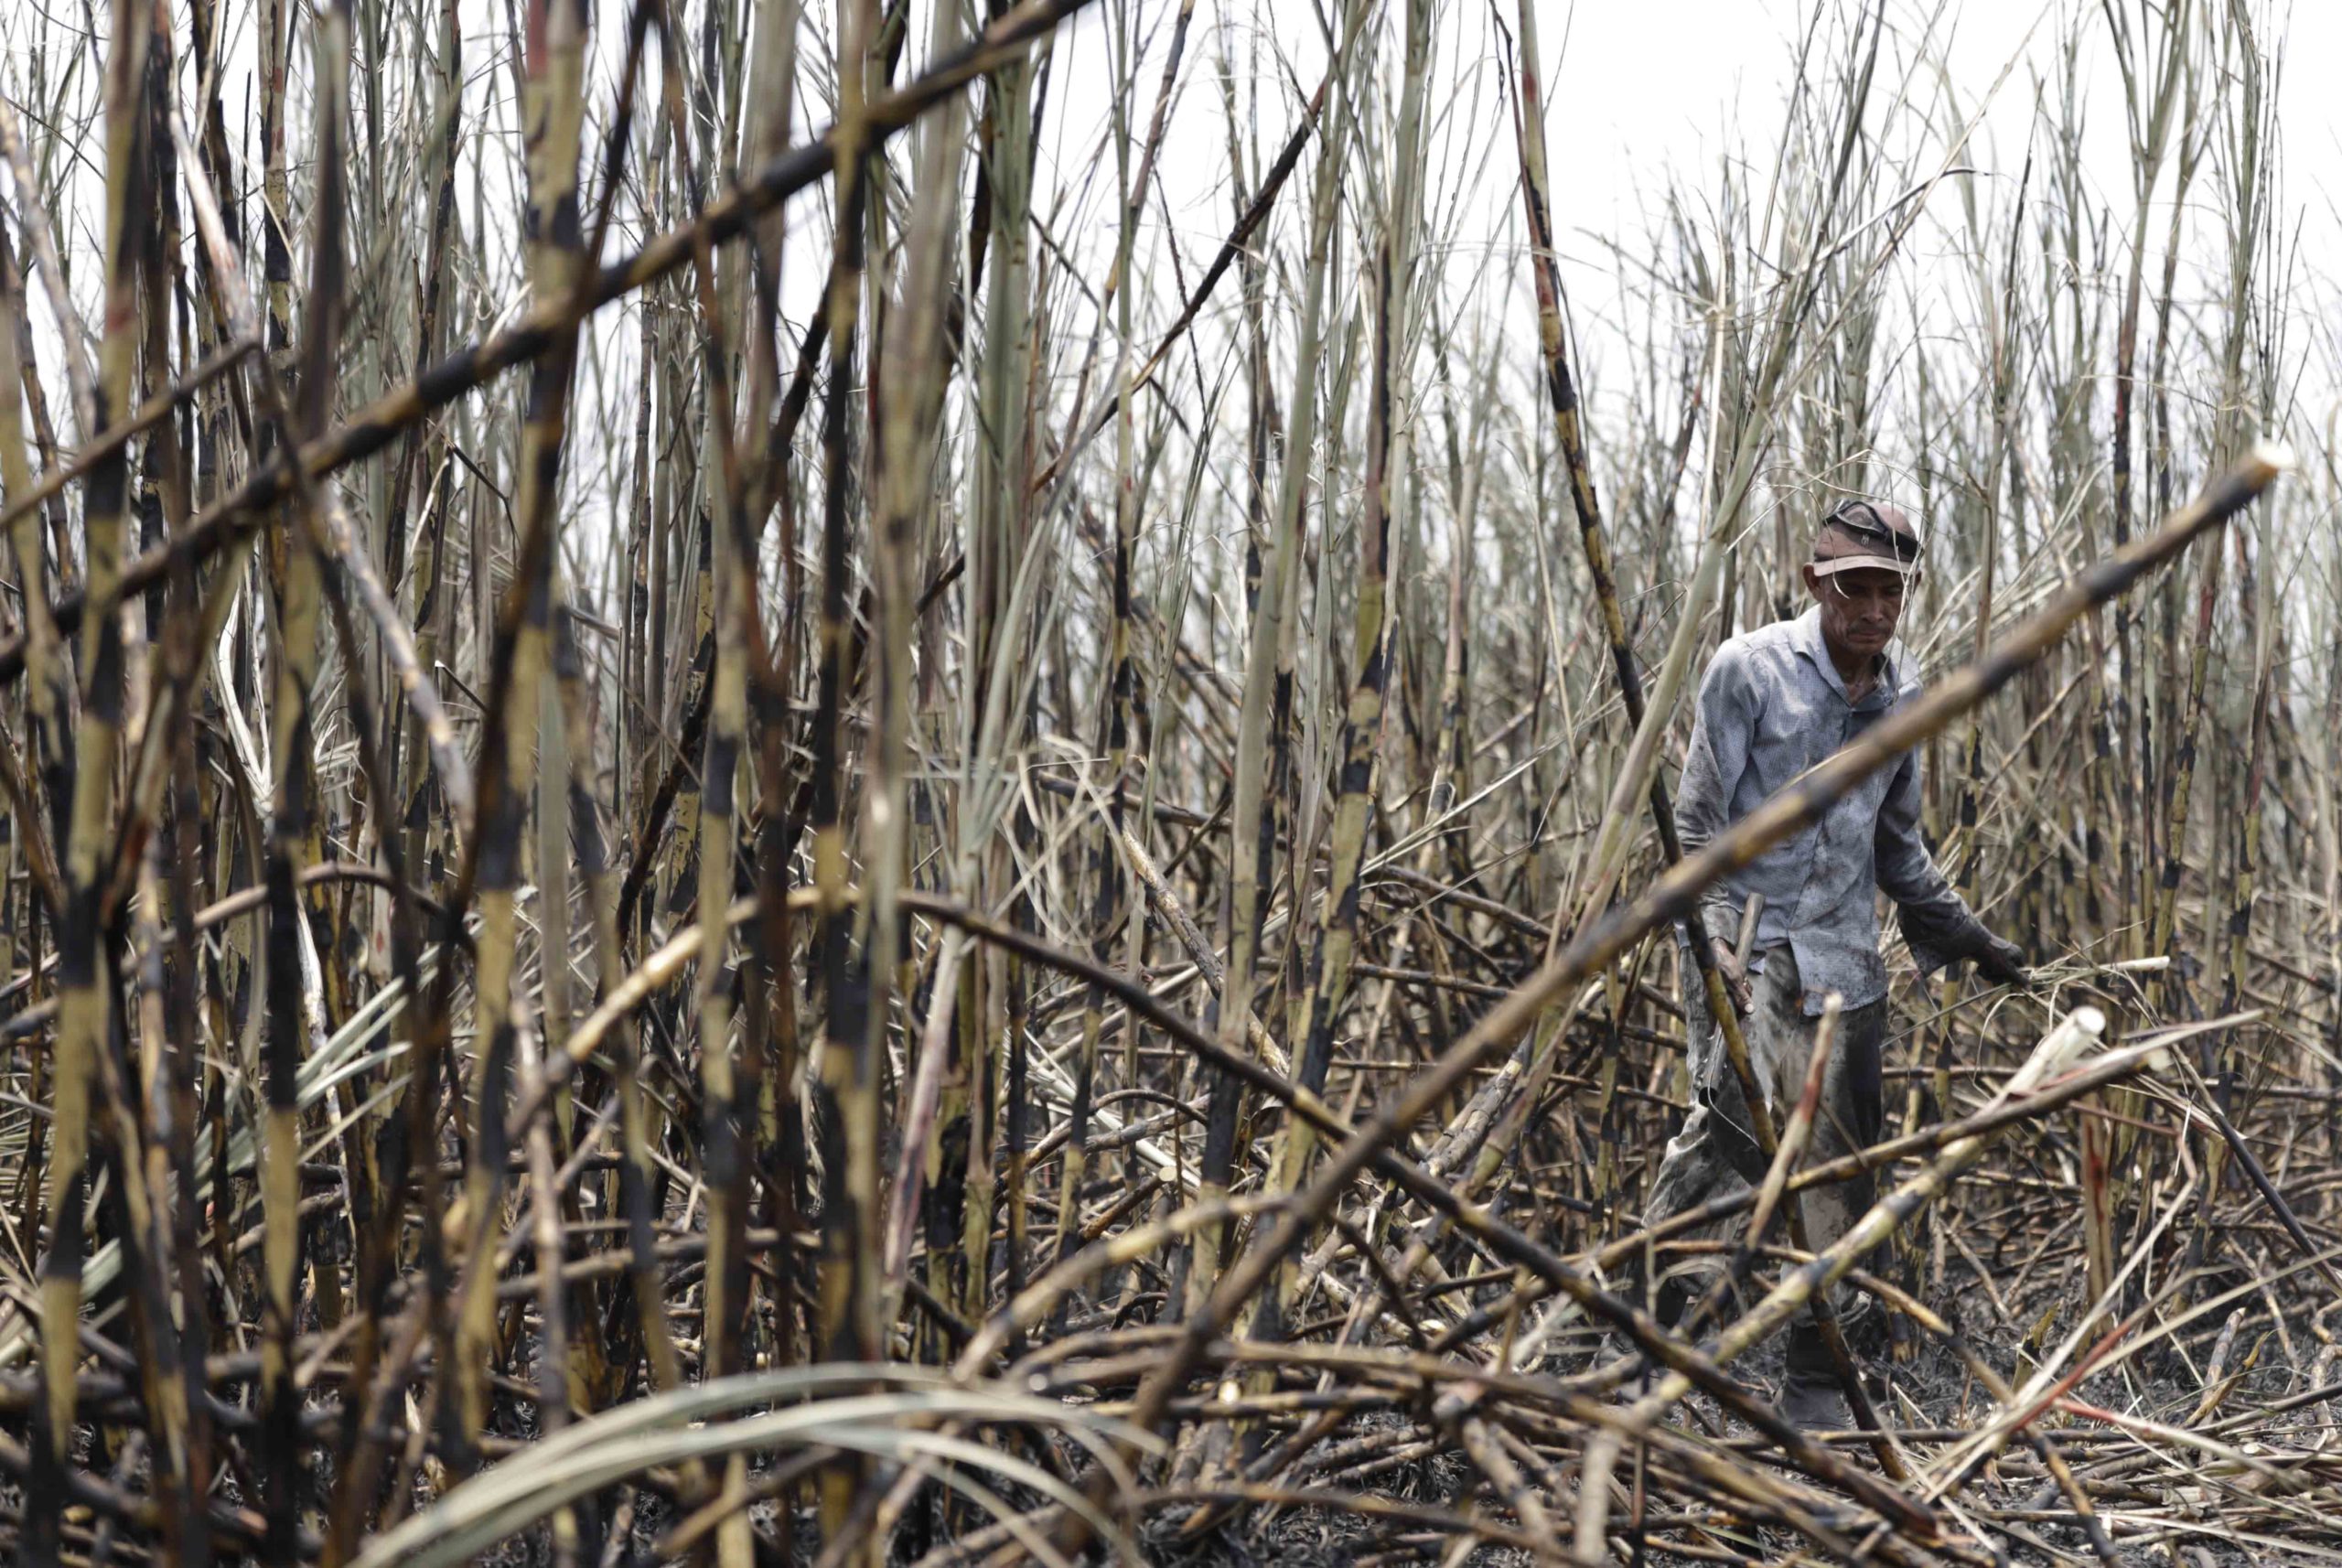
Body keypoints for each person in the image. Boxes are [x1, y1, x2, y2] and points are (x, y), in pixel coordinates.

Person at [1639, 498, 2027, 1430]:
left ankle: (1823, 1387)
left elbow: (1897, 851)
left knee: (1846, 1177)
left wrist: (1965, 933)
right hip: (1748, 949)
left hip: (1844, 966)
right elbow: (1694, 824)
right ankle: (1665, 1364)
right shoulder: (1750, 669)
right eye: (1856, 588)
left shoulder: (1903, 695)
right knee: (1731, 1150)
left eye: (1891, 591)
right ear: (1816, 583)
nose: (1874, 610)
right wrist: (1721, 946)